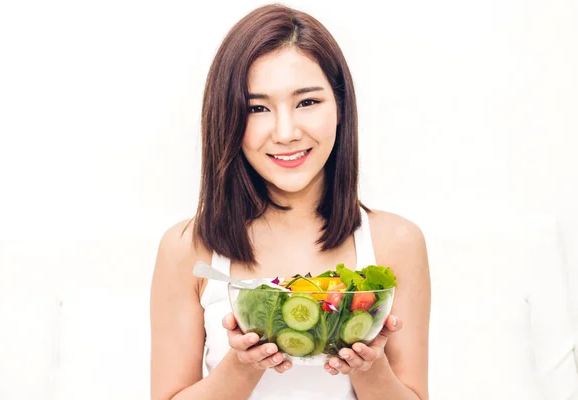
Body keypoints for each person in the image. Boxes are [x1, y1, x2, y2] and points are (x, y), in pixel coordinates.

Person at [150, 4, 430, 400]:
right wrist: (243, 365)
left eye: (307, 102)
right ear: (227, 118)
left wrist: (370, 367)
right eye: (257, 108)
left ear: (340, 108)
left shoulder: (397, 241)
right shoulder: (186, 247)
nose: (285, 132)